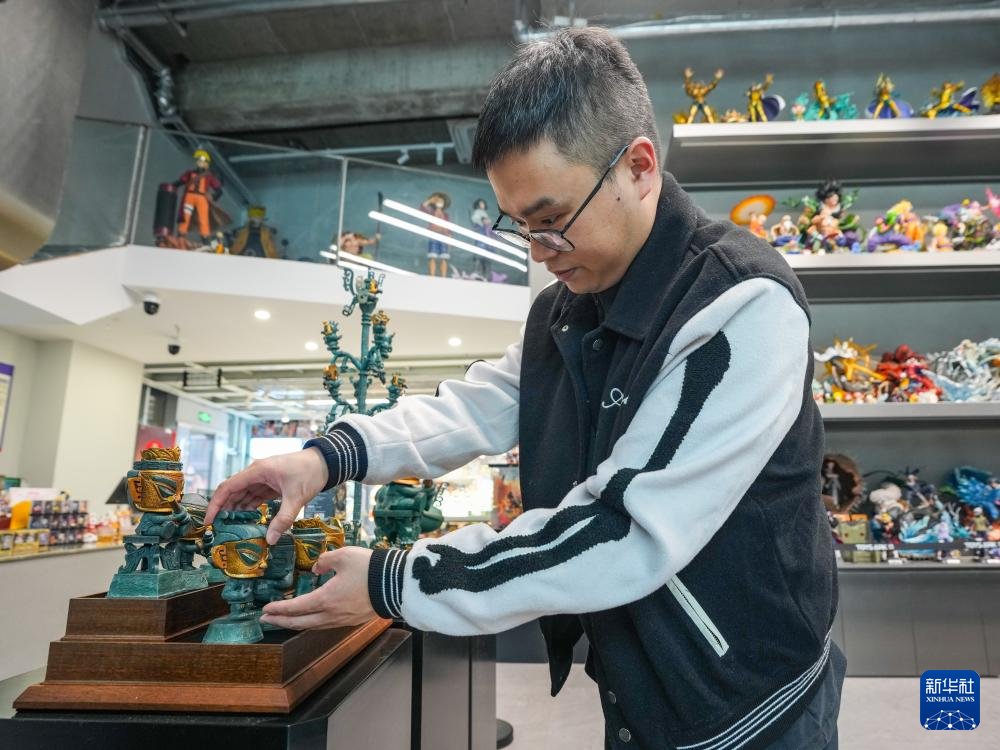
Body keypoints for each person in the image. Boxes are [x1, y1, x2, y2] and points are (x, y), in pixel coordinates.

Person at [207, 27, 842, 750]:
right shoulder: (569, 308)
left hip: (750, 699)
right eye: (521, 228)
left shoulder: (740, 304)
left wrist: (395, 582)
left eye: (552, 221)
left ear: (638, 167)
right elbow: (477, 406)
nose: (540, 253)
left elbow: (627, 530)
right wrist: (325, 457)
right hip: (642, 682)